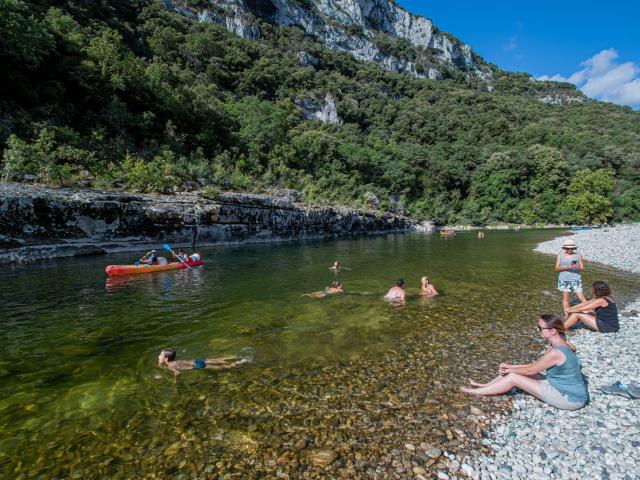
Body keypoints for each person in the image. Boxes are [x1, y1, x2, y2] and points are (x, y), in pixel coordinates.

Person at [461, 314, 588, 410]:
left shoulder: (556, 352)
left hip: (569, 398)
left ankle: (476, 392)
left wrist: (510, 370)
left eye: (541, 328)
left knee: (513, 377)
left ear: (553, 331)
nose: (538, 330)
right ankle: (484, 386)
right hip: (559, 385)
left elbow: (531, 370)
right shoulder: (557, 345)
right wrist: (510, 366)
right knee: (511, 372)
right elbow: (534, 366)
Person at [157, 348, 251, 376]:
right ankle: (238, 356)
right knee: (220, 360)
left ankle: (240, 362)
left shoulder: (170, 365)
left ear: (166, 359)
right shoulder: (175, 360)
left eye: (160, 355)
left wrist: (174, 379)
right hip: (197, 360)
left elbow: (178, 372)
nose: (158, 356)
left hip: (198, 366)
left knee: (223, 367)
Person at [555, 239, 587, 312]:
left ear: (574, 248)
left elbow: (582, 268)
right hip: (564, 279)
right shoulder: (560, 256)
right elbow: (556, 268)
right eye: (567, 248)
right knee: (566, 298)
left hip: (576, 278)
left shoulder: (578, 255)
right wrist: (567, 267)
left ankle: (590, 311)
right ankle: (566, 314)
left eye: (572, 248)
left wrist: (577, 267)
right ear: (564, 248)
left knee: (581, 297)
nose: (570, 250)